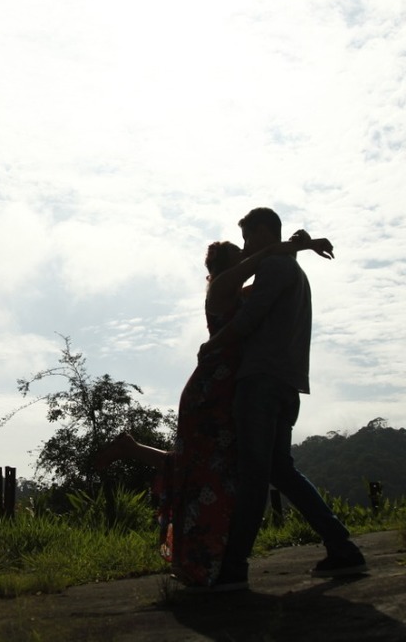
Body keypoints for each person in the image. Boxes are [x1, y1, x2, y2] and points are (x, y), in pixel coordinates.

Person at [96, 231, 334, 590]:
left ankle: (133, 450)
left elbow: (271, 288)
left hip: (226, 386)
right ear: (228, 264)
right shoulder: (223, 286)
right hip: (212, 388)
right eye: (242, 252)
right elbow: (267, 255)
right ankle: (132, 451)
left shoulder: (237, 293)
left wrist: (297, 250)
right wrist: (298, 245)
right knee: (202, 466)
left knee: (211, 468)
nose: (248, 257)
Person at [204, 207, 367, 589]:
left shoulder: (275, 269)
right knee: (280, 470)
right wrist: (304, 244)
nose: (245, 247)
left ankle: (234, 567)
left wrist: (212, 346)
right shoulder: (292, 269)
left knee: (254, 476)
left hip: (260, 381)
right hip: (286, 383)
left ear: (263, 232)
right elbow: (276, 255)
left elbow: (250, 319)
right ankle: (341, 547)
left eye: (248, 237)